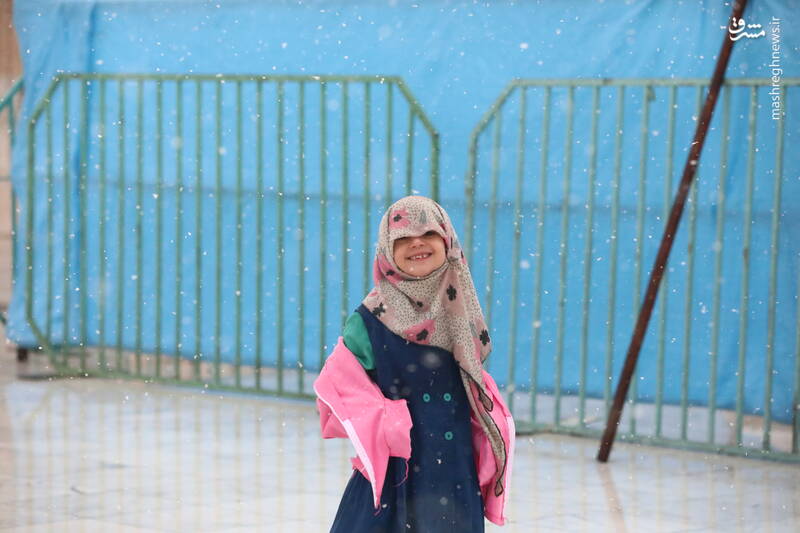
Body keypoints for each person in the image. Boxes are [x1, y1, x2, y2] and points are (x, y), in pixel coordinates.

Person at [315, 195, 514, 532]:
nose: (417, 243)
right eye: (402, 237)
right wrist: (385, 420)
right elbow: (337, 385)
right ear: (387, 250)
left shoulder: (459, 307)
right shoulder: (369, 320)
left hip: (454, 469)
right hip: (398, 471)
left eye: (428, 233)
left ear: (447, 240)